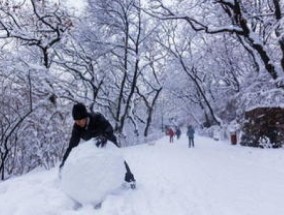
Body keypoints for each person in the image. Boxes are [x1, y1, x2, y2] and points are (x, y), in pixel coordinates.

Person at [60, 103, 136, 188]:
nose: (78, 123)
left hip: (108, 140)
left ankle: (130, 179)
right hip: (94, 145)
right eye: (76, 121)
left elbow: (109, 128)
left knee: (116, 158)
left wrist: (104, 136)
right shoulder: (77, 128)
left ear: (85, 117)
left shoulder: (97, 118)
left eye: (80, 120)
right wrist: (64, 162)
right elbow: (72, 146)